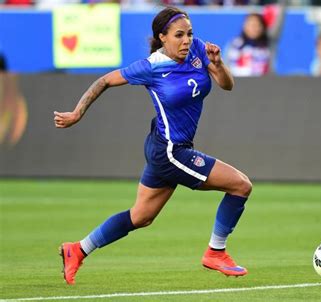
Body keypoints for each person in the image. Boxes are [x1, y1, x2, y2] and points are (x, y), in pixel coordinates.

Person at [54, 6, 252, 285]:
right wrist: (77, 113)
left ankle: (78, 249)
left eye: (189, 33)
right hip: (172, 151)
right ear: (162, 37)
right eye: (179, 35)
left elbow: (226, 85)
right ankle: (215, 252)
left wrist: (218, 65)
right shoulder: (151, 67)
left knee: (141, 216)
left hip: (164, 147)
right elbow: (104, 80)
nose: (186, 40)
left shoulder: (196, 49)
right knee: (241, 185)